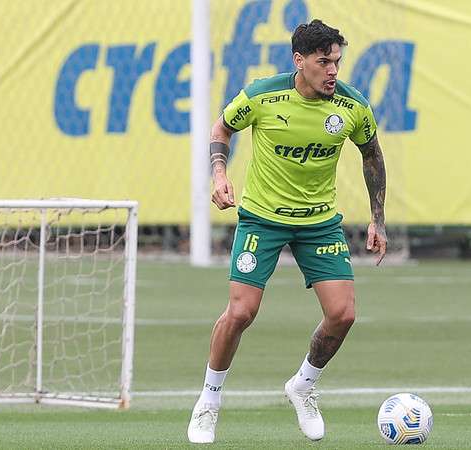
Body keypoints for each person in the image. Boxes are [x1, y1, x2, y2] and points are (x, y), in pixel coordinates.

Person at [187, 19, 387, 444]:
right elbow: (221, 128)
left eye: (337, 61)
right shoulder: (263, 95)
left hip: (318, 223)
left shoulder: (351, 107)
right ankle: (209, 400)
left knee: (344, 314)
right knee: (241, 313)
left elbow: (371, 154)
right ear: (300, 61)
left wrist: (377, 218)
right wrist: (219, 174)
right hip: (263, 218)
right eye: (323, 62)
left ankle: (303, 385)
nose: (333, 71)